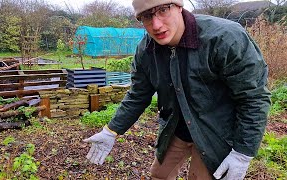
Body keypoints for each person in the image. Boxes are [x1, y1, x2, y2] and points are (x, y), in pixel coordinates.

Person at [83, 0, 271, 179]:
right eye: (147, 17)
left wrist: (242, 153)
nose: (156, 25)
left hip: (217, 131)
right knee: (159, 174)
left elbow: (253, 97)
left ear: (179, 7)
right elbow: (138, 95)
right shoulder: (146, 51)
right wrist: (111, 130)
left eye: (163, 10)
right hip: (177, 127)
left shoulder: (224, 39)